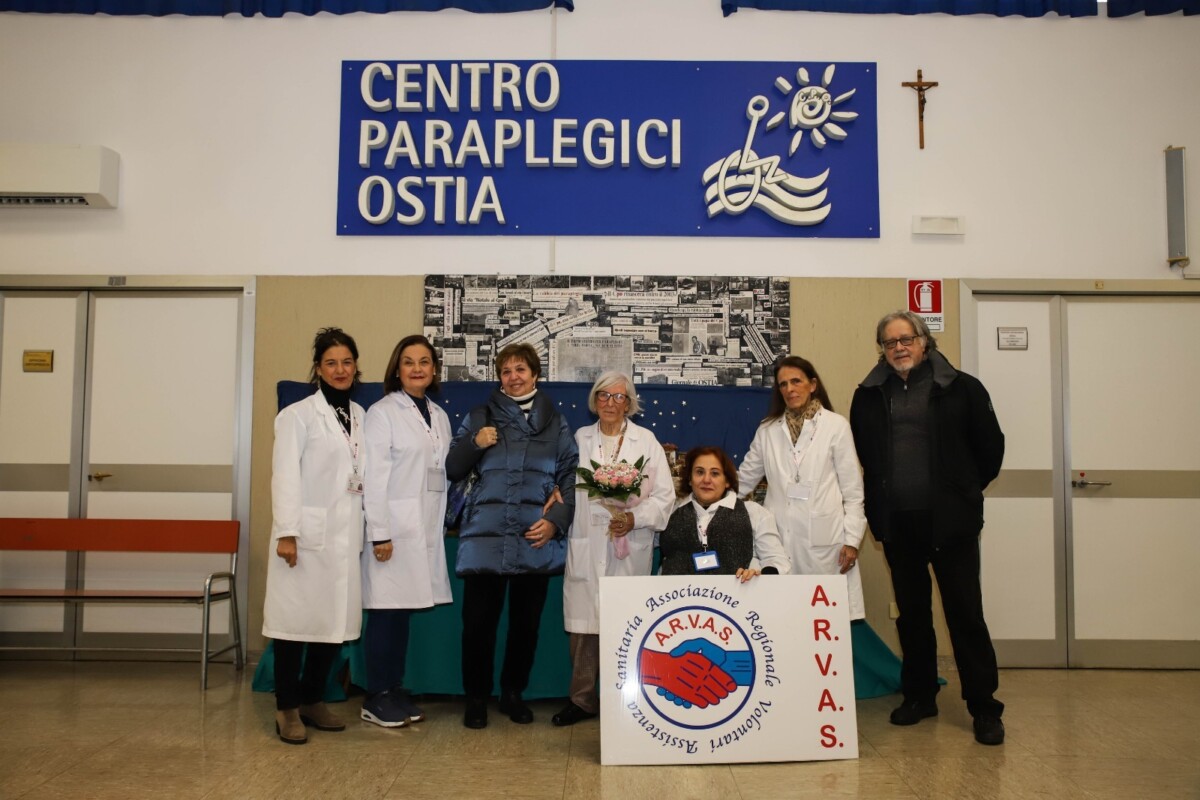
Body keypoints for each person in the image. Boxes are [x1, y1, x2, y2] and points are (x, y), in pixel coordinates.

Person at [849, 310, 1006, 746]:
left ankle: (984, 708)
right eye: (889, 342)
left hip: (951, 525)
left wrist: (963, 491)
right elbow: (868, 455)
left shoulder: (961, 387)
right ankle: (920, 696)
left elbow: (990, 449)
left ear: (924, 341)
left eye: (906, 339)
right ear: (882, 349)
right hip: (899, 526)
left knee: (965, 616)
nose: (898, 347)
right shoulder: (868, 395)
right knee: (913, 617)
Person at [445, 343, 578, 729]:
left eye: (521, 369)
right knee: (478, 626)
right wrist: (475, 443)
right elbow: (453, 468)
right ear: (498, 377)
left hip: (533, 535)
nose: (514, 377)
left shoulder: (556, 421)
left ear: (535, 374)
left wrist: (557, 520)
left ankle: (513, 693)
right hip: (486, 536)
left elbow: (571, 474)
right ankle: (476, 697)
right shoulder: (479, 416)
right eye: (506, 371)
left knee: (526, 625)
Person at [554, 372, 675, 727]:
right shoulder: (580, 438)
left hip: (629, 543)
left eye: (619, 397)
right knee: (584, 630)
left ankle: (627, 700)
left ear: (630, 403)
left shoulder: (646, 441)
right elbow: (562, 479)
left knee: (627, 625)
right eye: (603, 396)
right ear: (594, 401)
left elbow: (664, 497)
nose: (610, 403)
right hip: (588, 541)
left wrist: (633, 518)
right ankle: (581, 700)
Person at [262, 327, 365, 745]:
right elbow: (284, 476)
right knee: (293, 626)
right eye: (331, 363)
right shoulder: (297, 415)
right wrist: (287, 532)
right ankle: (286, 709)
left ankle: (312, 699)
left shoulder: (359, 415)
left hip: (343, 536)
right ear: (318, 368)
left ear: (356, 366)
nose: (340, 370)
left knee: (331, 622)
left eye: (346, 362)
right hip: (303, 538)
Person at [359, 335, 453, 728]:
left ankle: (394, 688)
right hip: (393, 529)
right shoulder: (382, 413)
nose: (417, 368)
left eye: (425, 362)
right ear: (397, 369)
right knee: (385, 613)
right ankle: (375, 695)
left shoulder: (439, 415)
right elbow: (374, 477)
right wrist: (379, 532)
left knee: (402, 614)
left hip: (423, 526)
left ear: (434, 370)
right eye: (409, 361)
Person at [737, 356, 867, 618]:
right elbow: (744, 479)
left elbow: (853, 492)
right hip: (779, 535)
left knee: (823, 617)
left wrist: (852, 540)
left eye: (796, 381)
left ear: (812, 385)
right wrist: (708, 501)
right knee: (781, 616)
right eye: (783, 384)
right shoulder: (768, 430)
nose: (789, 389)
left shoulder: (835, 426)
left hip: (825, 539)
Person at [659, 447, 790, 580]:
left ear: (727, 481)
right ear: (689, 479)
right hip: (678, 598)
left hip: (739, 599)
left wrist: (759, 575)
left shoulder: (754, 513)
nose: (706, 480)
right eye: (699, 472)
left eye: (715, 473)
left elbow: (776, 561)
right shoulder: (669, 514)